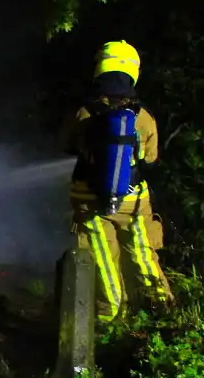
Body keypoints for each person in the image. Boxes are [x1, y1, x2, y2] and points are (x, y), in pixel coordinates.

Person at [59, 40, 173, 324]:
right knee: (144, 259)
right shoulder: (144, 117)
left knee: (103, 264)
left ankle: (109, 323)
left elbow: (66, 146)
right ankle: (166, 320)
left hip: (89, 201)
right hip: (134, 202)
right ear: (133, 71)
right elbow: (150, 159)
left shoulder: (83, 113)